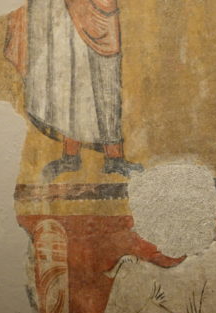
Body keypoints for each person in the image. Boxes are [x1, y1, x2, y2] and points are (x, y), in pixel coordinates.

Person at [24, 0, 143, 180]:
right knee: (71, 83)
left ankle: (114, 158)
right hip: (66, 12)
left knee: (107, 84)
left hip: (100, 13)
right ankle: (71, 156)